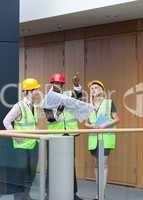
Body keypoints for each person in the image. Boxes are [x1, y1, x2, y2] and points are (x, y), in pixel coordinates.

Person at [44, 73, 83, 200]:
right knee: (53, 164)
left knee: (70, 163)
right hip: (55, 135)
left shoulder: (68, 94)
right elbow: (50, 119)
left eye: (60, 84)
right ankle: (49, 192)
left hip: (69, 133)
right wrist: (59, 113)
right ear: (52, 84)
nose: (58, 86)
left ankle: (73, 193)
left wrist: (77, 85)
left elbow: (78, 96)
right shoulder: (48, 99)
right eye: (56, 83)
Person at [3, 78, 40, 200]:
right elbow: (6, 121)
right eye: (36, 89)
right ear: (30, 91)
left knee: (31, 173)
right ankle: (19, 197)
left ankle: (26, 195)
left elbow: (33, 125)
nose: (38, 91)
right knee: (21, 174)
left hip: (33, 144)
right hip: (21, 146)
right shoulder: (19, 106)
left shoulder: (33, 106)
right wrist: (15, 136)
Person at [85, 80, 119, 200]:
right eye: (92, 88)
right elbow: (86, 123)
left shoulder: (109, 103)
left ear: (101, 90)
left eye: (95, 88)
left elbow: (116, 119)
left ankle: (101, 195)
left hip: (105, 138)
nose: (93, 90)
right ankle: (98, 193)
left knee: (103, 165)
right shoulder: (88, 106)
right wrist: (92, 126)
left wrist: (104, 125)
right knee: (96, 165)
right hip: (94, 139)